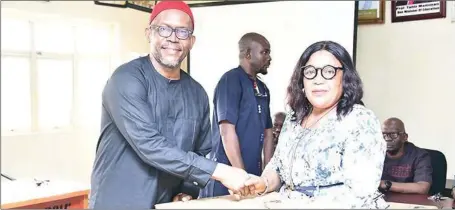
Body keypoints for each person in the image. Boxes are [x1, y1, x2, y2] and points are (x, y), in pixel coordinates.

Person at [89, 1, 250, 208]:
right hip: (117, 202)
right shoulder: (126, 79)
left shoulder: (197, 93)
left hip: (167, 204)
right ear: (149, 33)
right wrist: (220, 171)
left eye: (182, 32)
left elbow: (200, 151)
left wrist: (187, 190)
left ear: (191, 41)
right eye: (164, 29)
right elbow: (150, 145)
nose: (173, 38)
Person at [242, 41, 388, 208]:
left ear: (345, 76)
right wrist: (263, 183)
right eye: (310, 72)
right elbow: (278, 167)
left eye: (328, 71)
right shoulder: (293, 119)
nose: (318, 80)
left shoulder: (359, 119)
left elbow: (359, 192)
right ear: (302, 79)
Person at [199, 32, 274, 198]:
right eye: (265, 52)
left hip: (253, 178)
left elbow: (268, 133)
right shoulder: (230, 81)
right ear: (248, 54)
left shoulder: (263, 89)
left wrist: (268, 176)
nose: (269, 58)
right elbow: (226, 132)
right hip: (227, 178)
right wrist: (241, 177)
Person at [379, 117, 432, 195]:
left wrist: (385, 184)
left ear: (405, 137)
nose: (387, 139)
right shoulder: (374, 154)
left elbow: (422, 188)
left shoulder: (420, 155)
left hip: (409, 203)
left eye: (393, 134)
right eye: (383, 135)